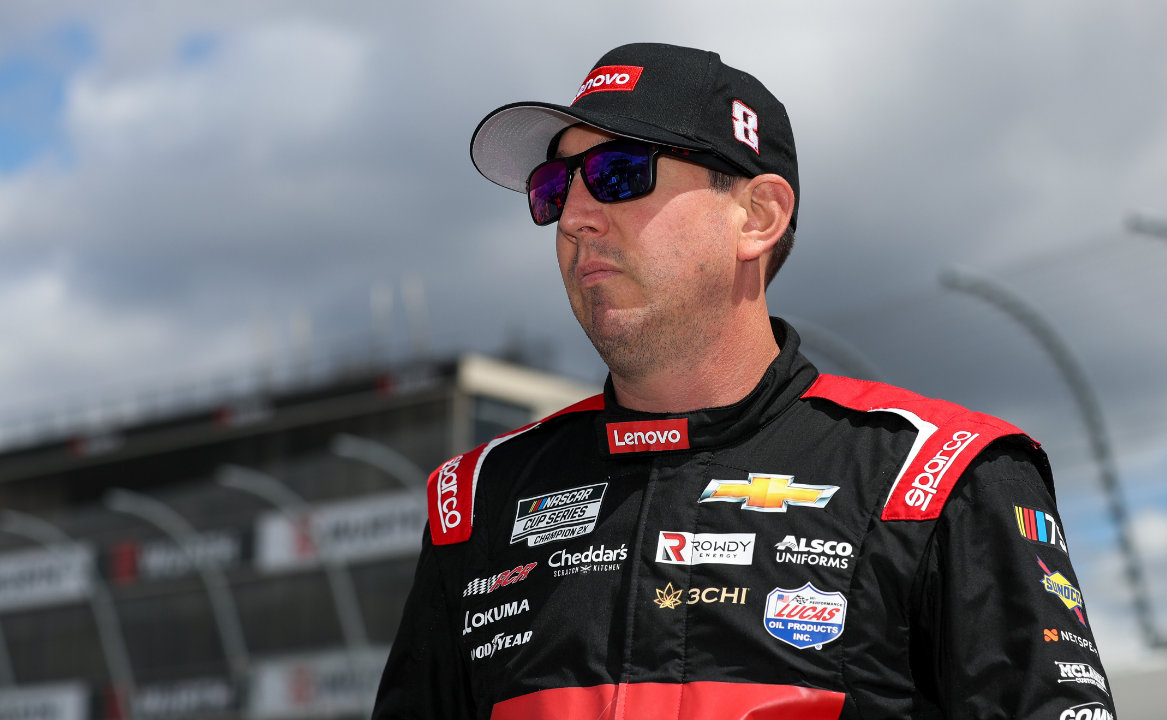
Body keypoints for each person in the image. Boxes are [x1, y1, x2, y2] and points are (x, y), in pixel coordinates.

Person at [373, 43, 1115, 720]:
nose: (573, 218)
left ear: (758, 217)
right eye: (553, 187)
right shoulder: (478, 502)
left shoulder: (941, 478)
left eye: (617, 174)